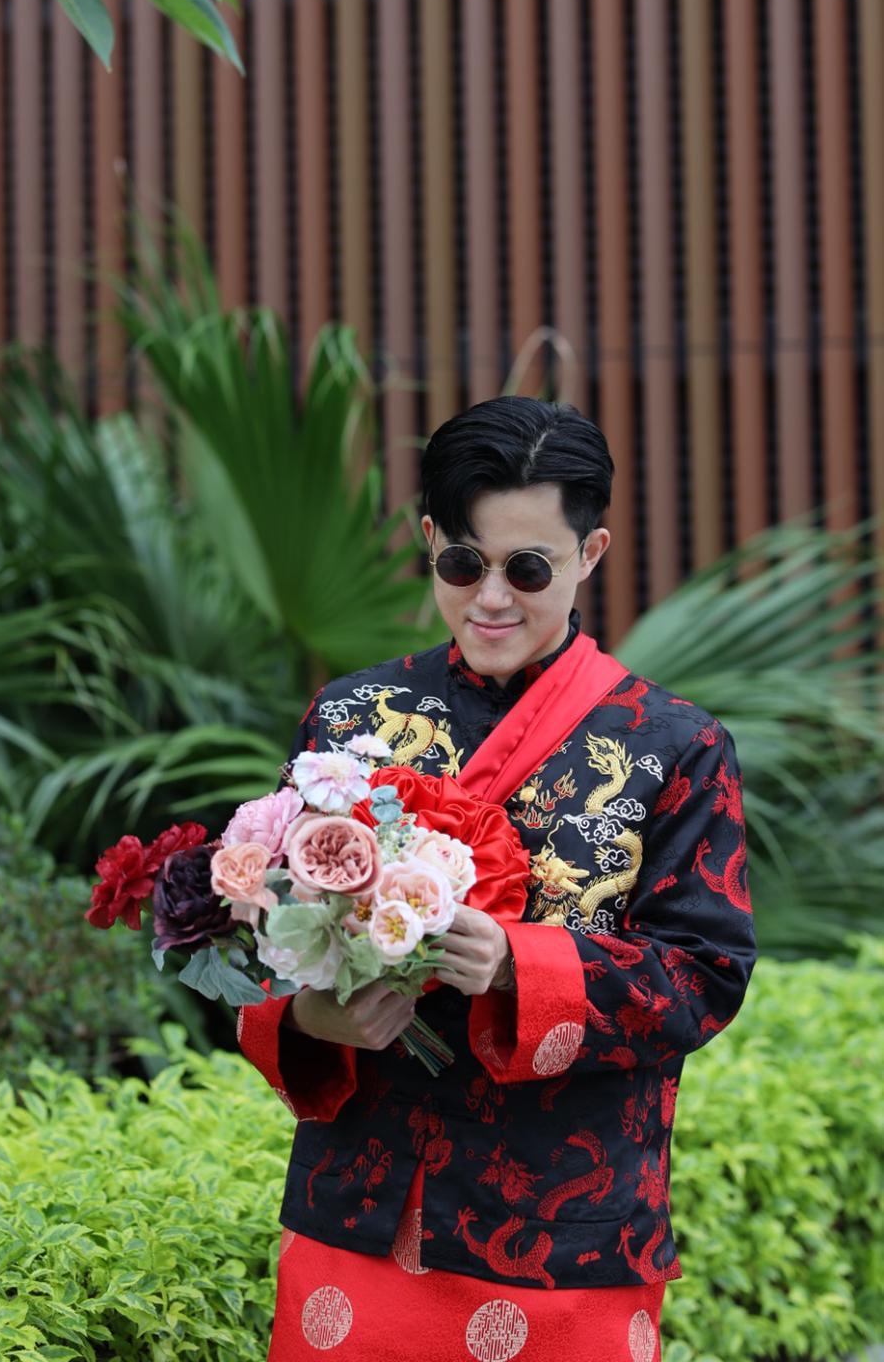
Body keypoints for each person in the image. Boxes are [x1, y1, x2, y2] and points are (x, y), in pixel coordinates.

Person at [238, 397, 755, 1362]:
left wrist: (522, 966)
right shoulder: (349, 719)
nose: (490, 599)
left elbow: (706, 973)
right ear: (430, 540)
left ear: (590, 553)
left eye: (528, 569)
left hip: (565, 1231)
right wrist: (311, 1019)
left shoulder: (676, 745)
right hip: (358, 1209)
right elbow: (267, 934)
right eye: (462, 564)